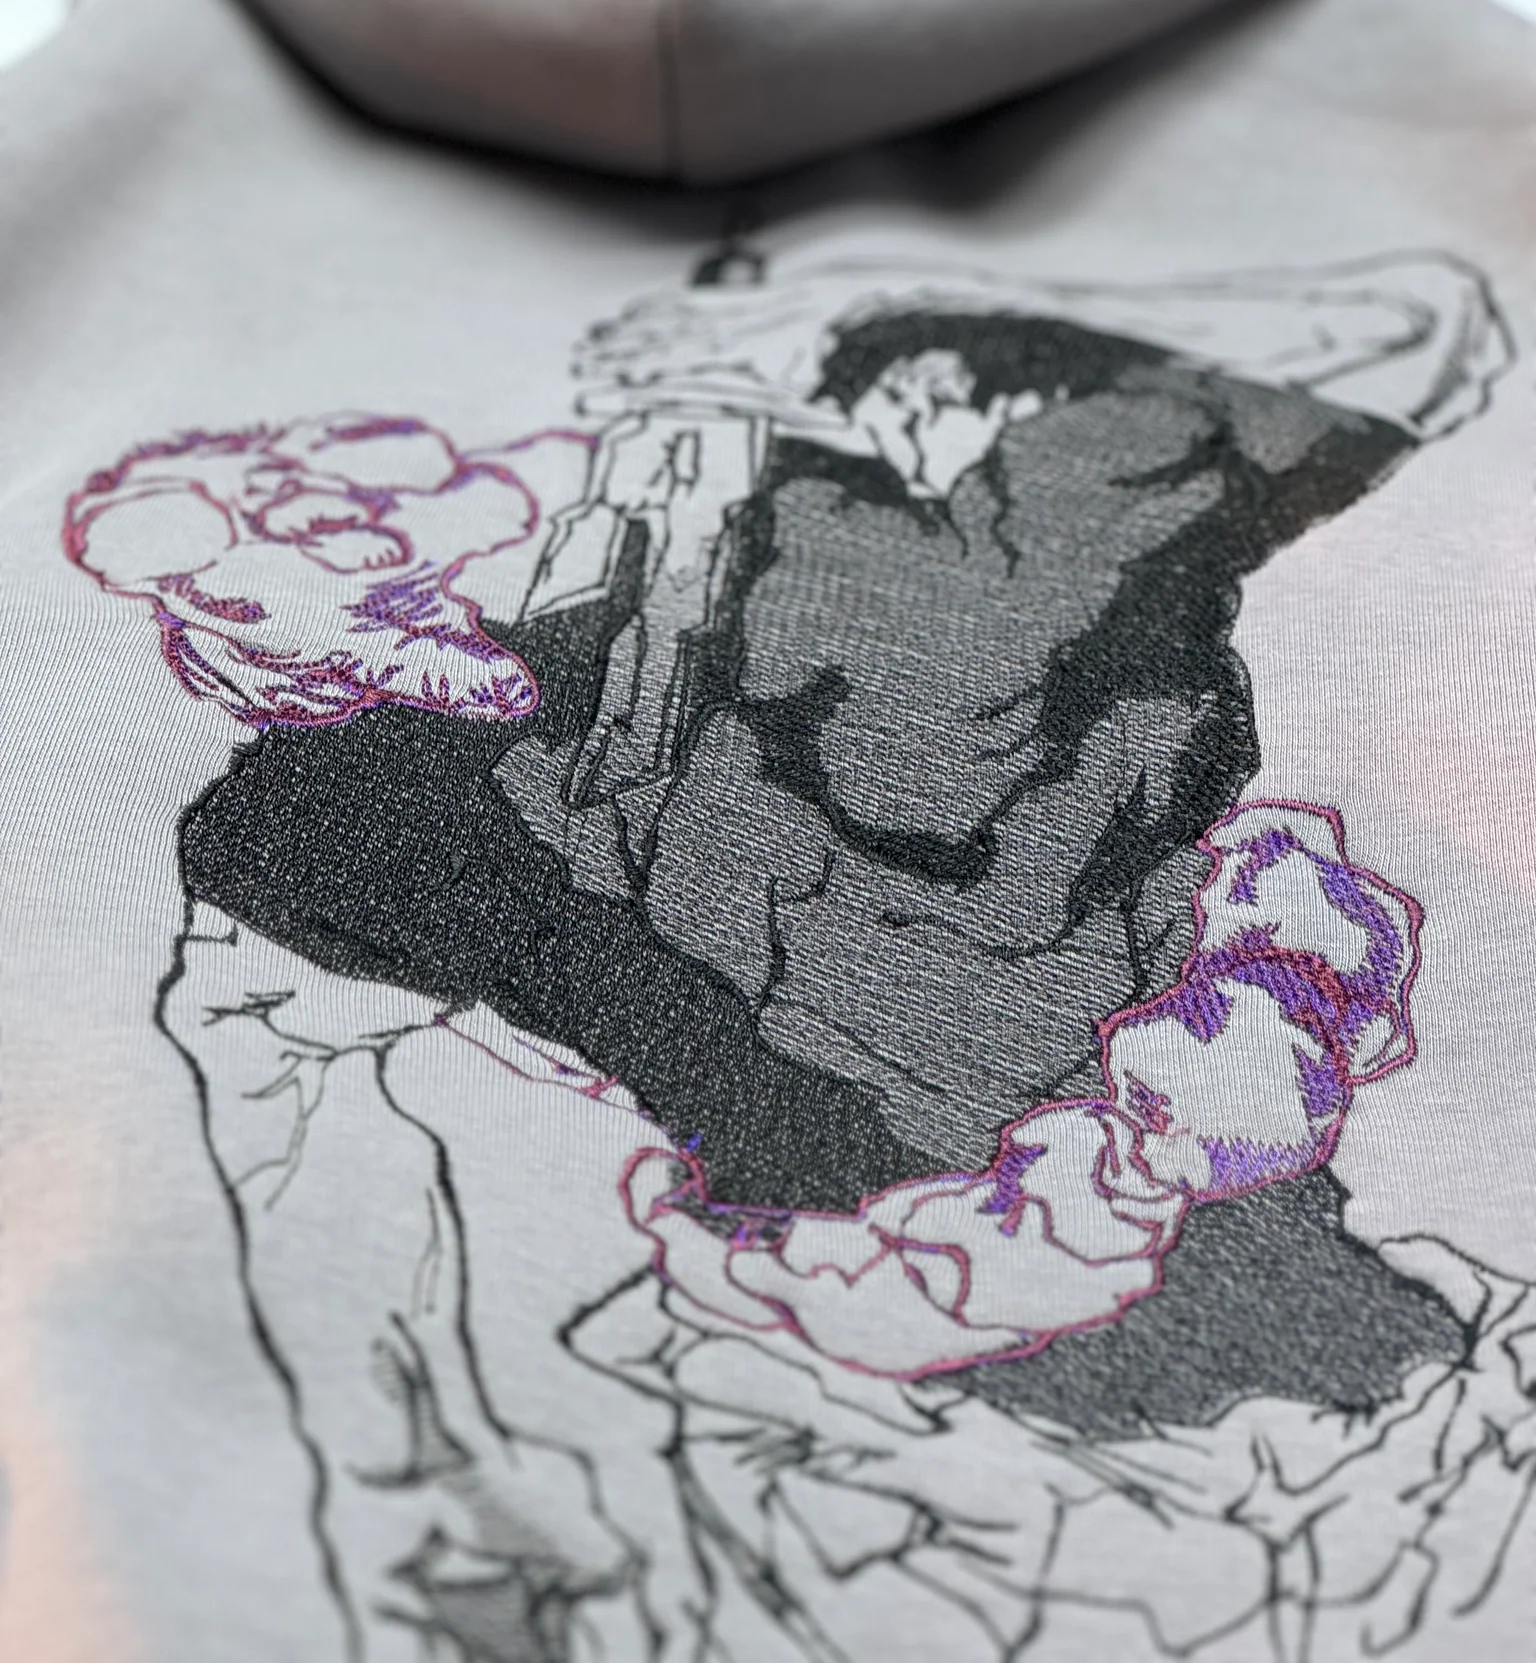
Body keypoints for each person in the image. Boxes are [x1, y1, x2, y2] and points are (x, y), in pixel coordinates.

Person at [65, 250, 1533, 1659]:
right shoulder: (353, 808)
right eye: (255, 578)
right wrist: (413, 1486)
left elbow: (1422, 326)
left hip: (1143, 1314)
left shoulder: (954, 537)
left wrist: (825, 337)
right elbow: (300, 1144)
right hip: (951, 1330)